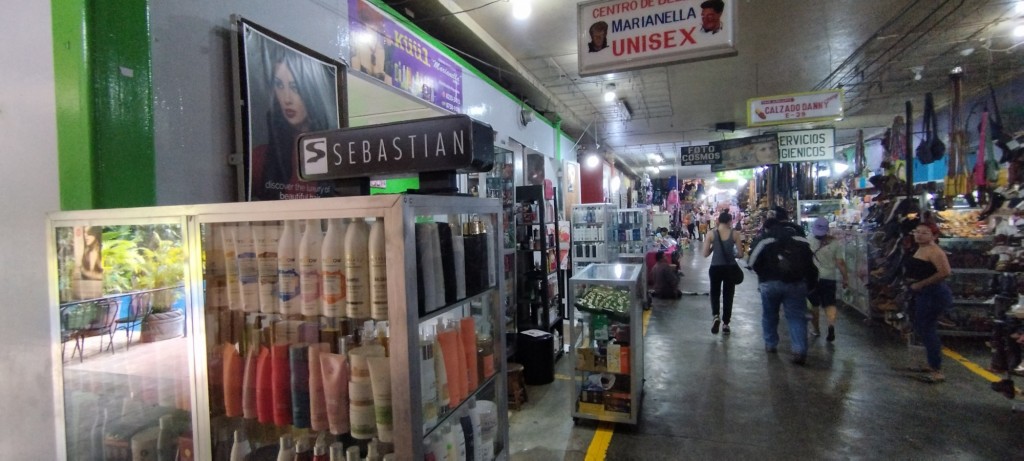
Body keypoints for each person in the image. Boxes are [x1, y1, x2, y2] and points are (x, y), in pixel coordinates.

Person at [251, 49, 338, 200]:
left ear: (311, 90)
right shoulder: (260, 159)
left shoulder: (336, 153)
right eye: (279, 85)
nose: (287, 99)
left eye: (295, 87)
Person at [747, 206, 818, 364]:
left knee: (770, 315)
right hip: (796, 283)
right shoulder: (801, 239)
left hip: (770, 283)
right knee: (796, 317)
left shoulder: (766, 238)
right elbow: (812, 265)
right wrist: (810, 286)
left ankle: (771, 344)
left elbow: (751, 262)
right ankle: (799, 350)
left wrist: (763, 274)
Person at [904, 222, 952, 383]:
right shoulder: (920, 249)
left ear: (934, 236)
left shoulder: (934, 251)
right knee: (922, 327)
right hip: (923, 293)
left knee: (927, 329)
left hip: (933, 293)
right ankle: (932, 364)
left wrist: (921, 284)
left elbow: (945, 272)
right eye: (917, 231)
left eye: (924, 233)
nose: (919, 235)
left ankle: (936, 369)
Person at [807, 217, 849, 342]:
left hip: (813, 278)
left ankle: (816, 329)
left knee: (814, 305)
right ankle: (830, 325)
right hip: (829, 277)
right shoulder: (834, 243)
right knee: (830, 304)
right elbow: (840, 262)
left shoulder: (808, 240)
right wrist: (845, 278)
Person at [702, 212, 739, 335]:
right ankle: (726, 324)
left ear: (718, 221)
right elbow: (741, 254)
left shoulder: (711, 234)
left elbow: (705, 254)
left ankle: (716, 316)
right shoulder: (735, 234)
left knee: (715, 293)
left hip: (715, 268)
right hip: (730, 268)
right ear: (729, 221)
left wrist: (714, 247)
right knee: (729, 295)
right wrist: (731, 253)